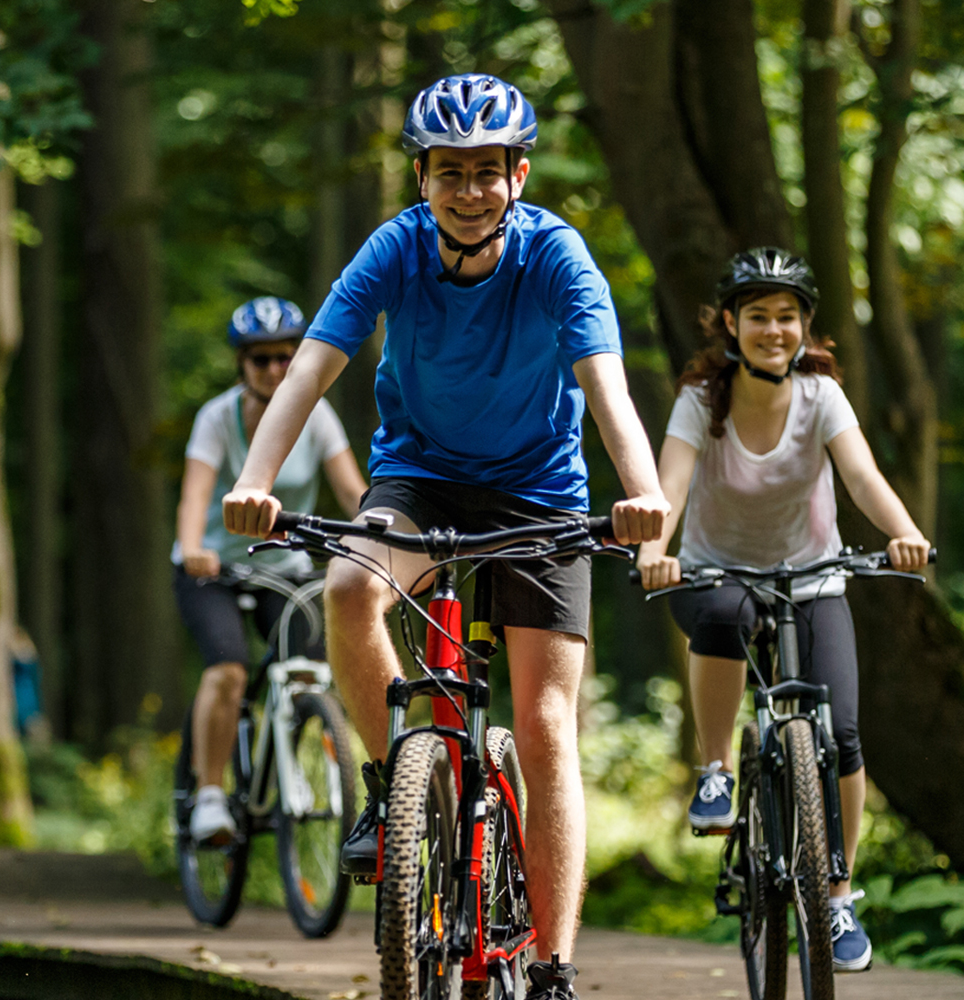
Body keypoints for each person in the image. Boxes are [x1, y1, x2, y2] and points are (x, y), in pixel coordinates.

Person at [221, 75, 666, 999]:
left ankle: (553, 967)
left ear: (519, 174)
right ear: (421, 177)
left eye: (488, 173)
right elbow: (309, 369)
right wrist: (255, 479)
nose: (470, 192)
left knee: (544, 729)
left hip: (542, 494)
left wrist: (646, 492)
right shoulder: (394, 250)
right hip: (418, 481)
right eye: (450, 173)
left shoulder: (556, 256)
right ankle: (396, 787)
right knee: (351, 589)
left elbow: (605, 386)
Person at [635, 248, 931, 974]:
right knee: (726, 614)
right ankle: (714, 771)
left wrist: (903, 531)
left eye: (788, 316)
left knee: (847, 733)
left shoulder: (821, 397)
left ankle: (837, 895)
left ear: (806, 327)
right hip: (712, 574)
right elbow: (669, 485)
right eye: (759, 316)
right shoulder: (702, 401)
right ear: (730, 326)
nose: (774, 329)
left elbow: (860, 473)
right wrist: (654, 550)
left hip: (812, 577)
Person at [174, 296, 368, 844]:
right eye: (262, 360)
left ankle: (284, 754)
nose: (276, 370)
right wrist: (193, 547)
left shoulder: (317, 414)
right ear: (242, 364)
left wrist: (377, 535)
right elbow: (194, 498)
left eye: (287, 358)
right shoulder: (217, 417)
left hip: (285, 568)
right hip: (214, 569)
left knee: (310, 671)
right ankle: (210, 794)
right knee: (229, 669)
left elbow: (352, 490)